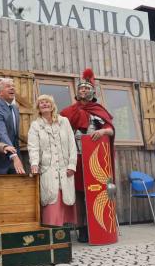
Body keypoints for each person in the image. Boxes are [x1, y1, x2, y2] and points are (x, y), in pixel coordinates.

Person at [60, 68, 114, 243]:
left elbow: (111, 130)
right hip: (74, 157)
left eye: (86, 89)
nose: (83, 91)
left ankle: (98, 227)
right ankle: (81, 228)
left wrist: (104, 131)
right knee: (78, 194)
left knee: (96, 193)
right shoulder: (68, 111)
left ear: (91, 91)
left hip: (94, 160)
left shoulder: (98, 110)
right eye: (81, 89)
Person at [28, 95, 78, 226]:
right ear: (38, 107)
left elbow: (72, 144)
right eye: (41, 103)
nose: (44, 104)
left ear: (52, 105)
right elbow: (33, 146)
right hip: (47, 168)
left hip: (65, 167)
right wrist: (34, 163)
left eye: (47, 102)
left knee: (65, 197)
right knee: (51, 199)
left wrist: (72, 165)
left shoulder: (64, 121)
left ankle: (65, 233)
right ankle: (53, 232)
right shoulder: (35, 125)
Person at [0, 78, 26, 175]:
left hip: (16, 158)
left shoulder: (15, 108)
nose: (12, 88)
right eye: (8, 86)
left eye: (13, 86)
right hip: (1, 160)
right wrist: (14, 155)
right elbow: (1, 133)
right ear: (0, 93)